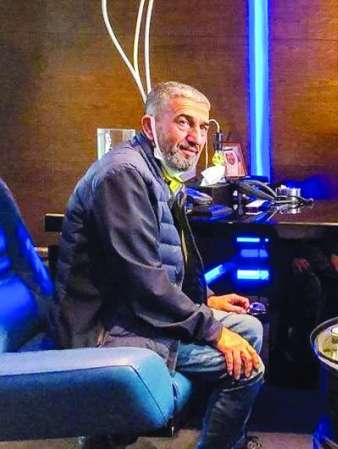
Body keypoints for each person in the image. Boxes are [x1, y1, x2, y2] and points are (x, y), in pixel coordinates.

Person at [52, 82, 264, 449]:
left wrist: (205, 298)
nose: (196, 138)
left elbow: (166, 263)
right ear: (149, 126)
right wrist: (213, 330)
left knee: (251, 328)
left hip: (135, 313)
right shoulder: (123, 175)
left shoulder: (158, 173)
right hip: (104, 328)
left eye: (202, 126)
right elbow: (143, 281)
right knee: (248, 368)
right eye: (184, 122)